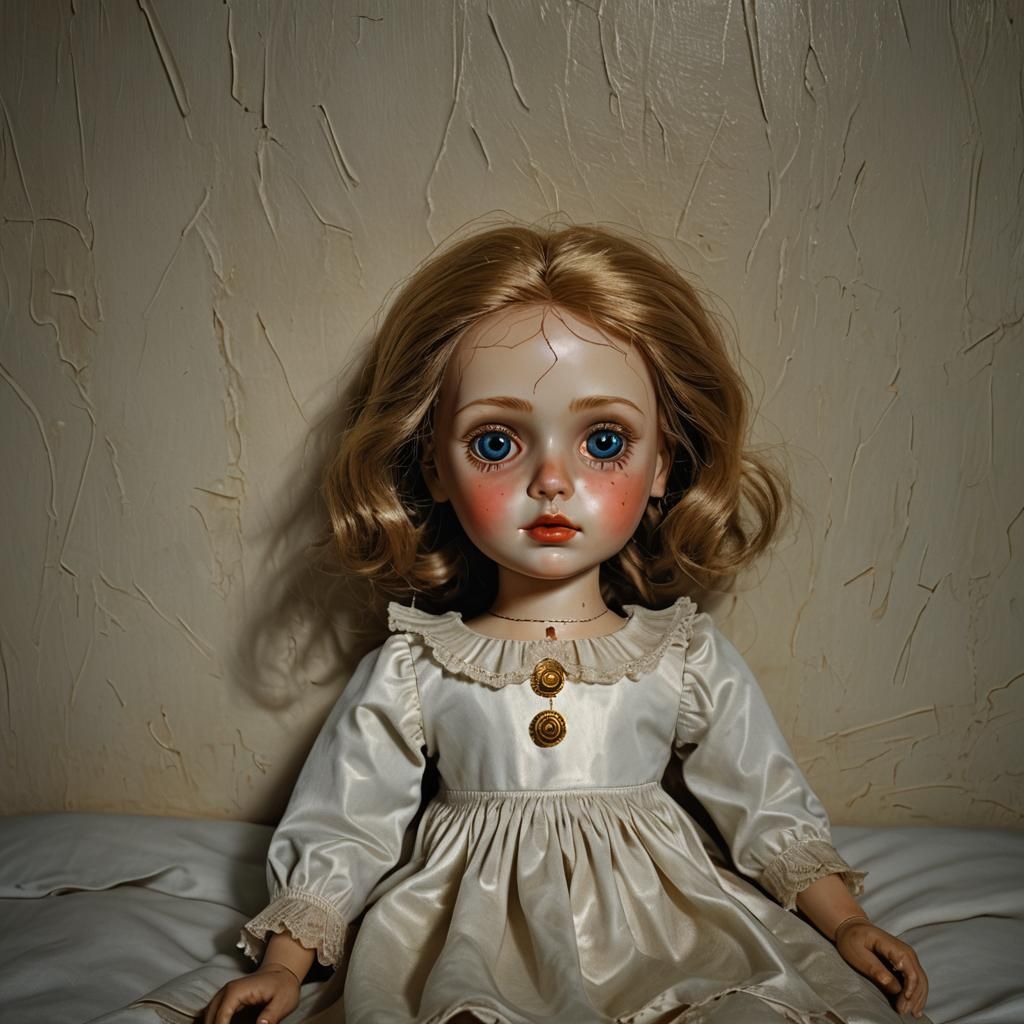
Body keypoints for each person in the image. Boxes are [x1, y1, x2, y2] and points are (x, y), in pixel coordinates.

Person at [203, 224, 930, 1024]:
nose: (552, 481)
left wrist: (847, 922)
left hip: (662, 926)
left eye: (604, 440)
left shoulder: (679, 655)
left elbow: (763, 802)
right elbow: (347, 819)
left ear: (663, 464)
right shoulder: (419, 665)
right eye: (495, 442)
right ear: (434, 466)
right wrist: (285, 963)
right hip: (472, 931)